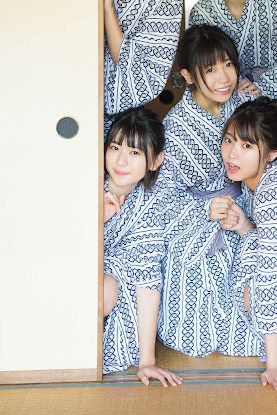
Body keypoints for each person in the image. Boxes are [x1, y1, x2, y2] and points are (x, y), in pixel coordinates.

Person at [157, 24, 261, 359]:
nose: (224, 78)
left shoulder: (244, 101)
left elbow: (275, 148)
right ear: (188, 76)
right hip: (194, 222)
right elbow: (162, 198)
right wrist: (205, 209)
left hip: (244, 210)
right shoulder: (175, 127)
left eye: (228, 64)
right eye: (211, 69)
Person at [220, 97, 277, 392]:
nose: (232, 153)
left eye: (247, 146)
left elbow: (272, 277)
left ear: (272, 154)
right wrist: (246, 227)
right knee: (251, 274)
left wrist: (275, 364)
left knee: (253, 291)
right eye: (229, 140)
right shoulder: (265, 183)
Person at [103, 107, 182, 388]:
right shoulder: (85, 181)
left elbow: (147, 279)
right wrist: (95, 219)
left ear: (155, 161)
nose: (121, 160)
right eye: (115, 147)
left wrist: (147, 360)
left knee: (107, 290)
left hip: (104, 284)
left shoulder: (148, 206)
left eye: (135, 152)